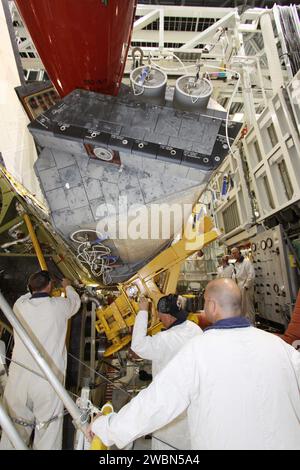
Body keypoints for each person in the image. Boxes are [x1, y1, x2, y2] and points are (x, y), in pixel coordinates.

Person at [88, 279, 300, 450]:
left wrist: (107, 428)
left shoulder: (198, 351)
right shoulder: (280, 348)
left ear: (212, 306)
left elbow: (156, 402)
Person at [0, 271, 81, 450]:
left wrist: (37, 286)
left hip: (19, 382)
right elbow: (75, 302)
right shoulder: (58, 306)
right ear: (50, 286)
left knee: (13, 433)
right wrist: (67, 285)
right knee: (48, 434)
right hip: (47, 382)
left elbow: (29, 293)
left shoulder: (19, 306)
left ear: (30, 288)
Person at [130, 294, 202, 450]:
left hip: (169, 409)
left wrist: (143, 312)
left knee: (166, 445)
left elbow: (138, 345)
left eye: (160, 315)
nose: (159, 318)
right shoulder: (195, 329)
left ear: (169, 316)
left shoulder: (165, 339)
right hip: (192, 406)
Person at [231, 246, 255, 323]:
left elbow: (251, 275)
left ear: (239, 253)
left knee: (248, 308)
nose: (234, 255)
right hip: (238, 288)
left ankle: (251, 325)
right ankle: (244, 325)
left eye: (235, 253)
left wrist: (246, 286)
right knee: (241, 308)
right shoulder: (235, 264)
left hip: (245, 288)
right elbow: (234, 276)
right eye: (232, 253)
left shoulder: (246, 262)